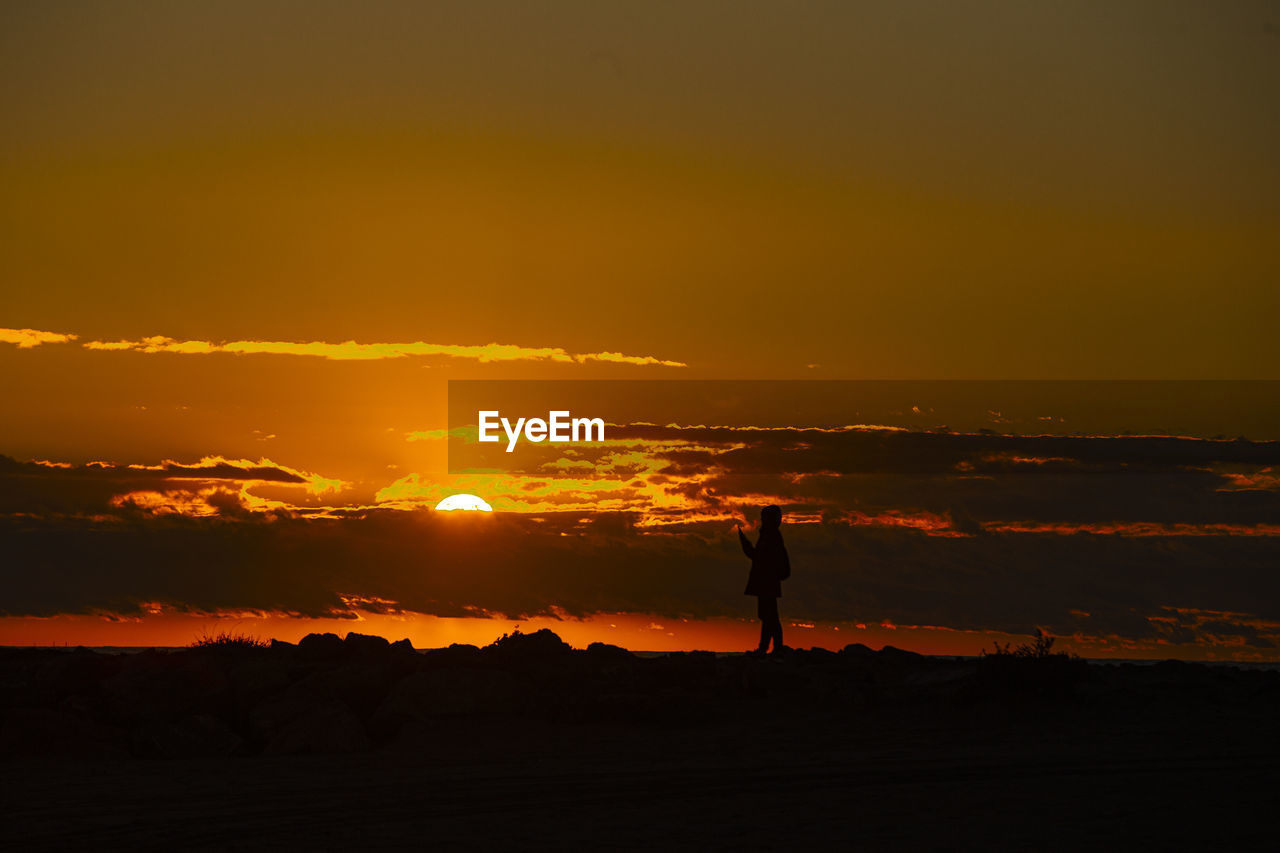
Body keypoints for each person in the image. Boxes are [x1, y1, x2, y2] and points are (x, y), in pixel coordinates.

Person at [737, 505, 790, 655]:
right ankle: (766, 647)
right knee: (768, 616)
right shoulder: (770, 535)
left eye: (763, 517)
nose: (761, 520)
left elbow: (760, 557)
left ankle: (774, 647)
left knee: (770, 616)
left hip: (767, 582)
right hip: (767, 582)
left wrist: (745, 545)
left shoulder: (771, 536)